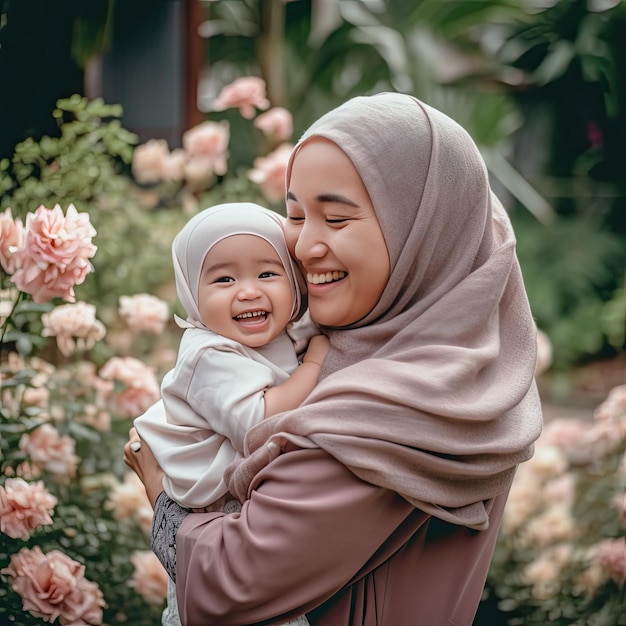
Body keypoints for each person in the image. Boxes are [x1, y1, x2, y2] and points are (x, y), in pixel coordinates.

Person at [124, 92, 543, 625]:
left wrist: (160, 490)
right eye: (295, 214)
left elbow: (232, 582)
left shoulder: (385, 411)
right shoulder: (470, 362)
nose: (301, 246)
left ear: (422, 232)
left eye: (337, 219)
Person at [134, 202, 326, 626]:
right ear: (192, 293)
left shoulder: (279, 333)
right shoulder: (208, 354)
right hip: (210, 520)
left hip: (242, 512)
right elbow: (260, 423)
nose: (248, 291)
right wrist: (316, 365)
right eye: (224, 278)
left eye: (268, 274)